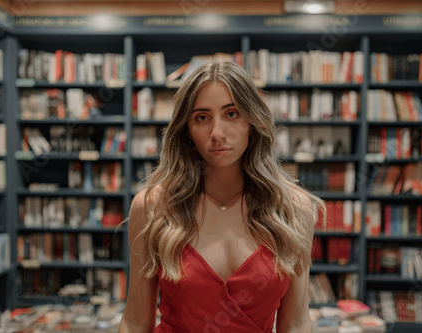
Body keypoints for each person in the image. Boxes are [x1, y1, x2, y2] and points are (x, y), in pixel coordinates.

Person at [119, 61, 325, 333]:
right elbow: (135, 322)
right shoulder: (152, 207)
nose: (217, 133)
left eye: (232, 113)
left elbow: (296, 322)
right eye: (202, 118)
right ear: (187, 131)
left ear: (252, 122)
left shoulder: (293, 209)